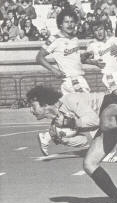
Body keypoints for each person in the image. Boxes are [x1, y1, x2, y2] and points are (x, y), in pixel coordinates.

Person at [35, 9, 95, 158]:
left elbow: (75, 59)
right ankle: (103, 152)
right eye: (66, 22)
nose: (69, 24)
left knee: (70, 115)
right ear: (60, 24)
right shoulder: (54, 39)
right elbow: (39, 57)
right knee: (90, 111)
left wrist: (88, 57)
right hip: (71, 81)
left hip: (77, 79)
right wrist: (54, 71)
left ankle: (47, 137)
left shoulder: (75, 38)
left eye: (72, 21)